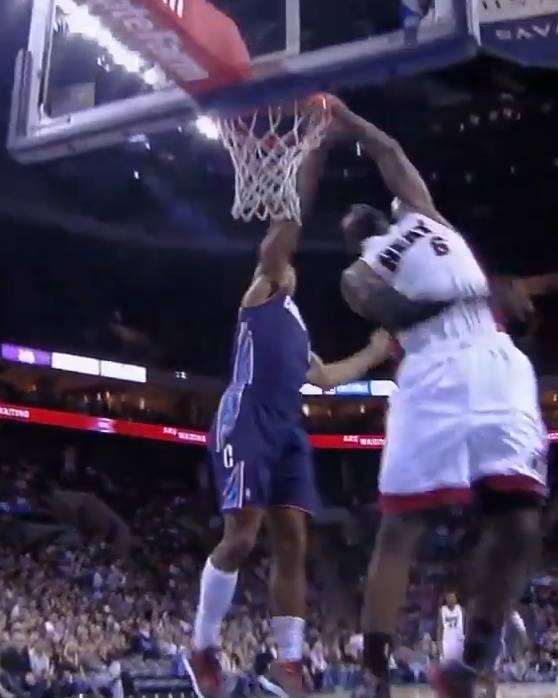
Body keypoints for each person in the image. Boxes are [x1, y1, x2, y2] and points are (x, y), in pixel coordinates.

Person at [327, 96, 548, 698]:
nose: (351, 215)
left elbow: (389, 151)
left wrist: (347, 120)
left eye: (356, 211)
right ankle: (374, 677)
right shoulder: (362, 267)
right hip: (430, 369)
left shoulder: (424, 216)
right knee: (400, 528)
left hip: (492, 359)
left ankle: (468, 664)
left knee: (520, 521)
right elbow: (372, 299)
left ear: (382, 212)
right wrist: (439, 304)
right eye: (345, 221)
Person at [185, 110, 392, 698]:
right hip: (246, 416)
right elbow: (286, 226)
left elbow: (325, 378)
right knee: (242, 535)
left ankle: (290, 662)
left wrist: (374, 352)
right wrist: (311, 157)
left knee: (295, 539)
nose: (292, 264)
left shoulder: (299, 328)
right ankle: (202, 645)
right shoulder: (264, 291)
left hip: (288, 429)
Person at [437, 593, 464, 662]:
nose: (451, 599)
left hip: (458, 643)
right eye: (449, 597)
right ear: (446, 598)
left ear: (456, 598)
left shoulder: (461, 610)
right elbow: (439, 630)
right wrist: (440, 650)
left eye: (452, 597)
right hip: (446, 643)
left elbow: (466, 627)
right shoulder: (442, 610)